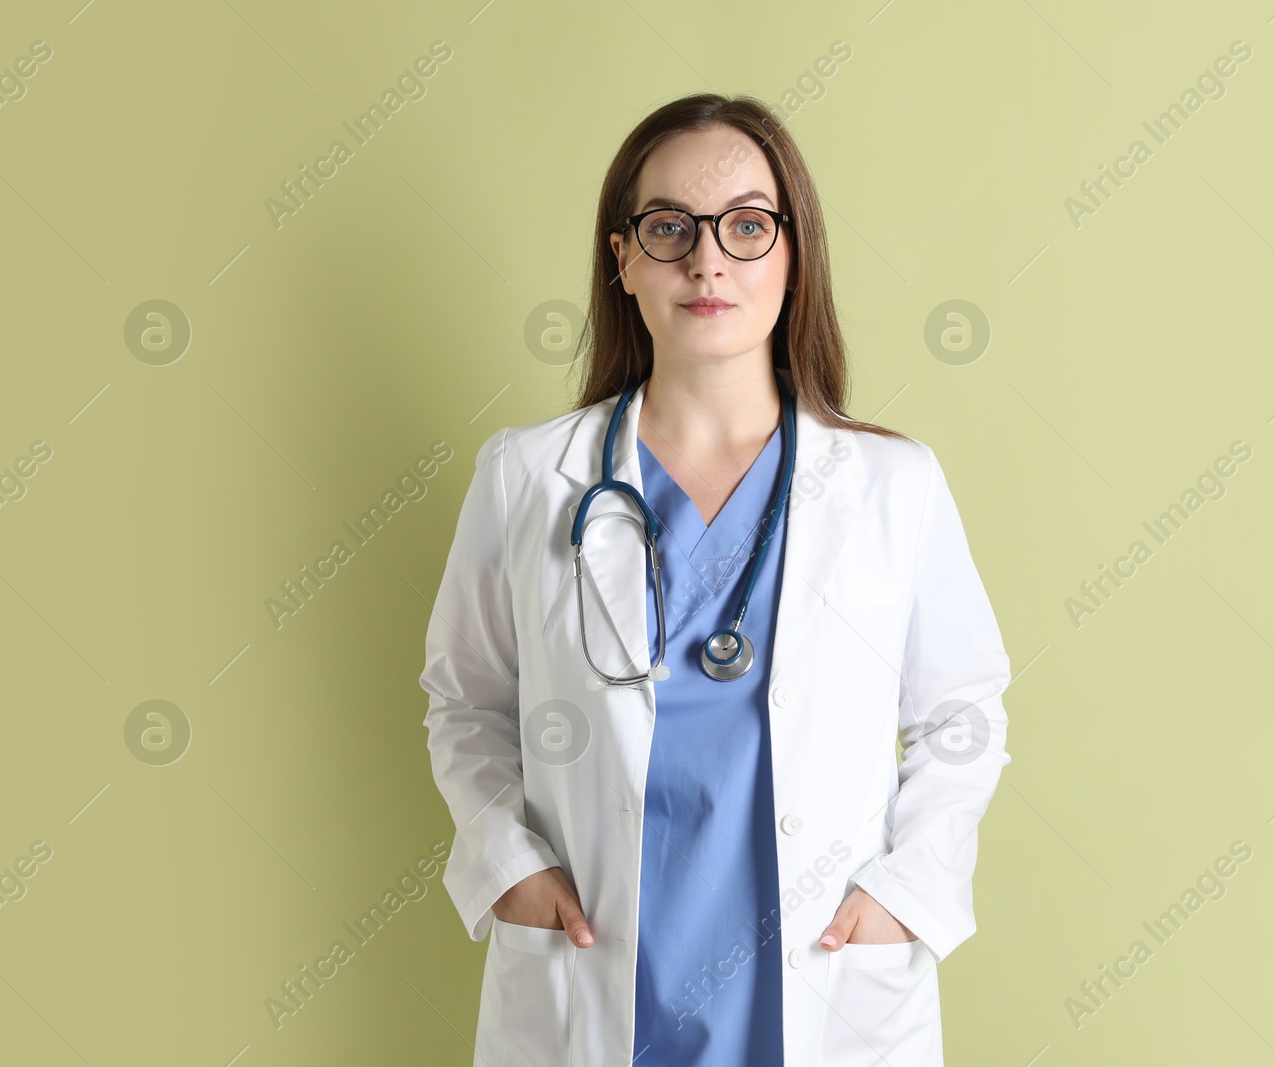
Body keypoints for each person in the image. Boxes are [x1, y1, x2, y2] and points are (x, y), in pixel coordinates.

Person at [419, 92, 1012, 1067]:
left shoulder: (891, 484)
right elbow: (464, 699)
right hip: (597, 975)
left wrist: (905, 895)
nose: (707, 260)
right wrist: (507, 865)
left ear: (792, 253)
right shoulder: (527, 477)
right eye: (669, 228)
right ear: (623, 259)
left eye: (746, 226)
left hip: (821, 978)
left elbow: (964, 713)